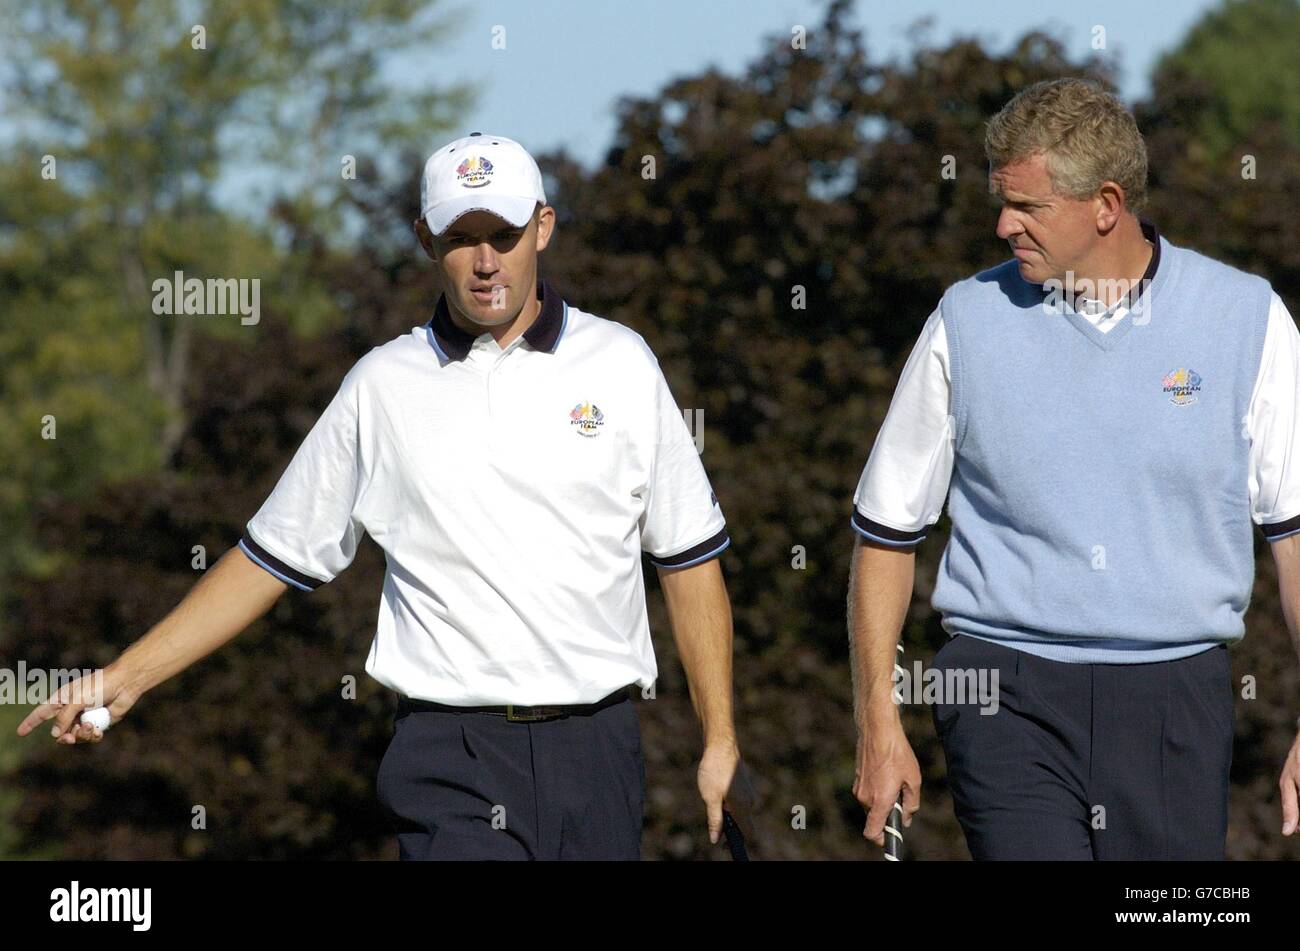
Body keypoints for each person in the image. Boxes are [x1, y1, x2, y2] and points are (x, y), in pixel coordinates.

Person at [18, 131, 741, 861]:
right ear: (426, 240)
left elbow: (687, 560)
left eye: (504, 234)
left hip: (598, 751)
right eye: (461, 238)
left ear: (543, 228)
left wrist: (720, 738)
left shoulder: (621, 364)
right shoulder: (381, 385)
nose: (485, 261)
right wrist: (125, 677)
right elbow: (270, 557)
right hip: (452, 756)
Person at [847, 79, 1300, 859]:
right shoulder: (964, 319)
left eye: (1028, 207)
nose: (1002, 225)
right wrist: (878, 723)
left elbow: (1293, 539)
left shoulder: (1249, 319)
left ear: (1106, 204)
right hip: (999, 691)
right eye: (1000, 201)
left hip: (1174, 695)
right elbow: (886, 535)